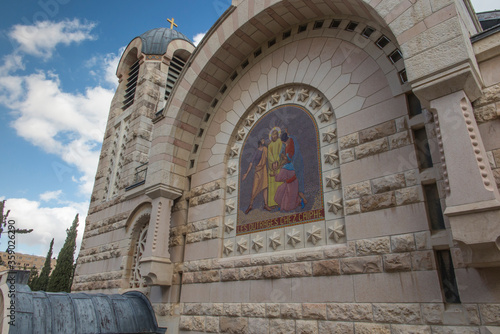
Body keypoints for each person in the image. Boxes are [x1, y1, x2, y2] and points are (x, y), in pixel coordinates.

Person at [242, 138, 272, 214]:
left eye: (263, 140)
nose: (263, 141)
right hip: (258, 171)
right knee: (254, 189)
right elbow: (251, 163)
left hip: (264, 169)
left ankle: (266, 204)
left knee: (265, 187)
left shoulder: (265, 149)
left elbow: (269, 146)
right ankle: (250, 205)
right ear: (259, 143)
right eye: (262, 140)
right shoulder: (256, 152)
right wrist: (246, 173)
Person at [267, 128, 283, 208]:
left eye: (275, 134)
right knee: (272, 185)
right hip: (272, 167)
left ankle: (281, 201)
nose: (274, 136)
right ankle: (272, 203)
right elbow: (269, 155)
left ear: (277, 135)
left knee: (280, 183)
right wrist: (273, 162)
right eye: (272, 135)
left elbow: (281, 151)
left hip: (279, 166)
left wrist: (277, 161)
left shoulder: (280, 142)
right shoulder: (269, 145)